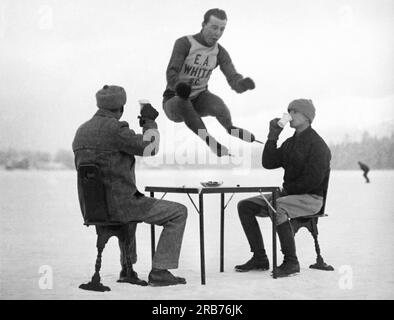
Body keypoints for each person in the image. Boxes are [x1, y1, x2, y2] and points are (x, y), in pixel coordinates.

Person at [72, 85, 188, 286]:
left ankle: (127, 267)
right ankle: (160, 270)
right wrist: (149, 121)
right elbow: (149, 148)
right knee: (178, 212)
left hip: (93, 208)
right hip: (121, 205)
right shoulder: (116, 129)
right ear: (121, 108)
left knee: (131, 209)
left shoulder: (81, 131)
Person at [235, 99, 331, 277]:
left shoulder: (318, 145)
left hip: (311, 198)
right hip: (287, 196)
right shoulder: (290, 143)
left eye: (295, 111)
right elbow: (269, 162)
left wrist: (281, 196)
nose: (289, 115)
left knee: (277, 207)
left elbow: (313, 180)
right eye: (289, 111)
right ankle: (259, 257)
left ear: (307, 116)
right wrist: (273, 136)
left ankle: (291, 262)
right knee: (245, 206)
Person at [162, 8, 258, 157]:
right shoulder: (185, 43)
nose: (217, 33)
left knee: (219, 105)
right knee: (184, 103)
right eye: (214, 27)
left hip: (200, 97)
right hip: (174, 100)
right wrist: (179, 87)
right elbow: (172, 72)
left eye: (222, 29)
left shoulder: (220, 52)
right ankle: (210, 142)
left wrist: (242, 84)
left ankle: (231, 129)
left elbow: (233, 77)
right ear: (203, 25)